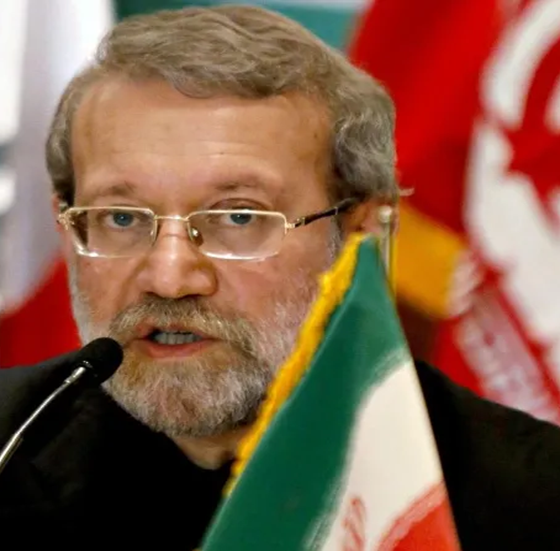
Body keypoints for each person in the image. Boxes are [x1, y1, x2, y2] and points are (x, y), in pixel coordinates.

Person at [1, 5, 560, 549]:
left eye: (238, 218)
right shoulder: (12, 443)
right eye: (121, 219)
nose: (169, 278)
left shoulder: (531, 503)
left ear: (363, 235)